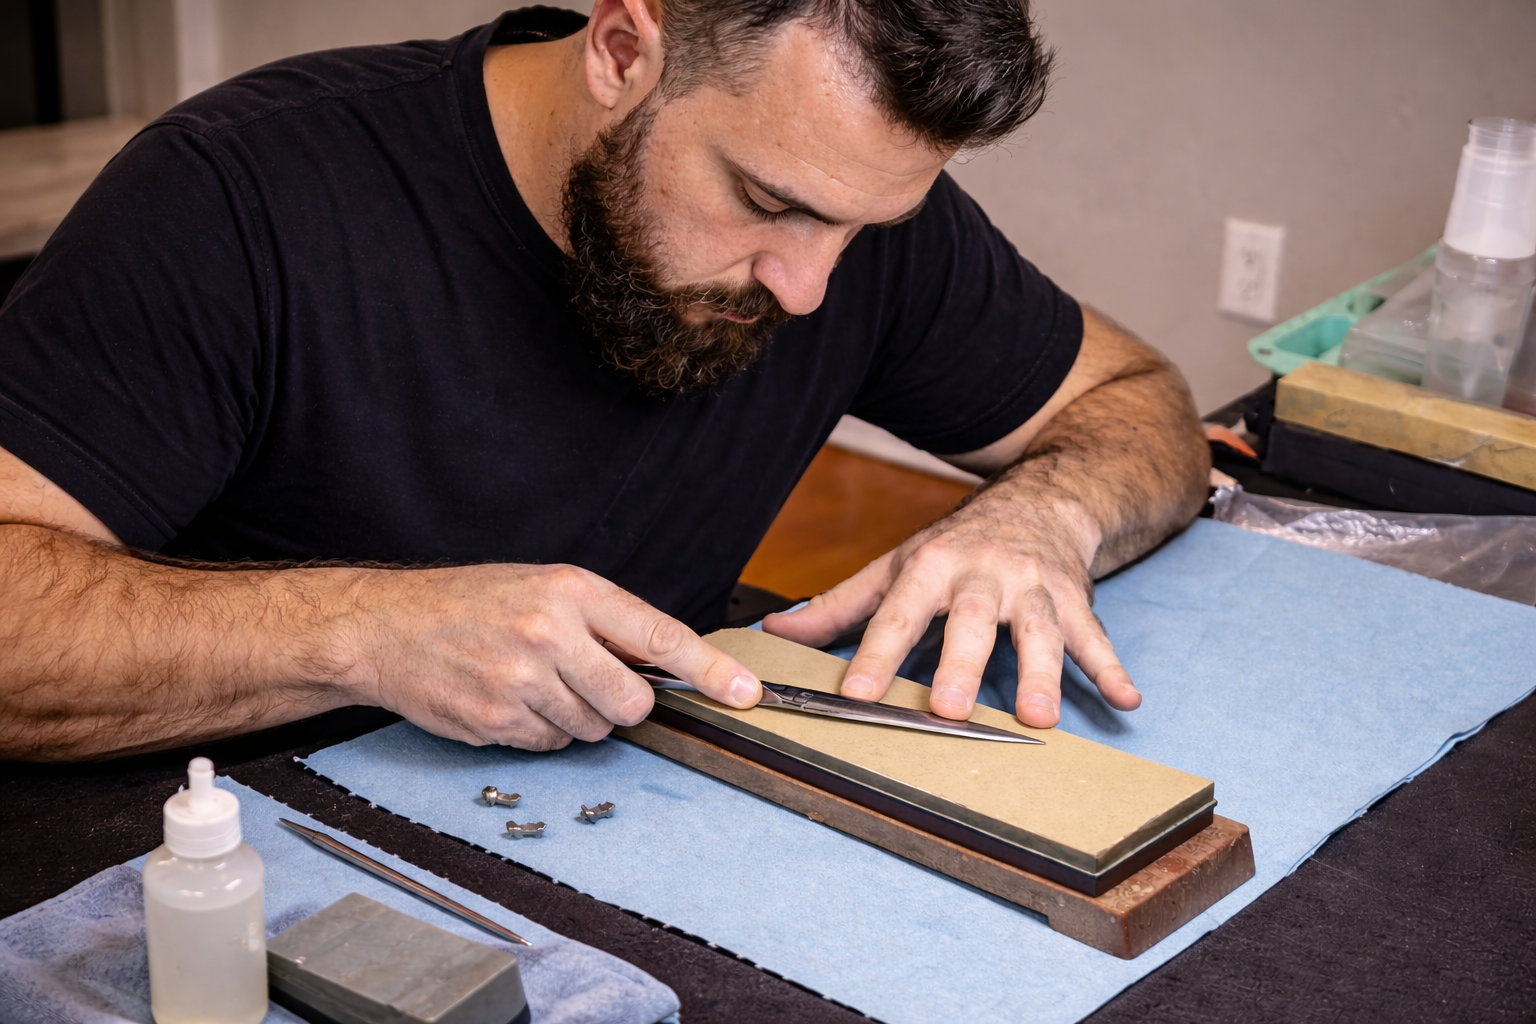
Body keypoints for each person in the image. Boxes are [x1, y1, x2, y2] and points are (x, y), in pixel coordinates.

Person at [0, 0, 1208, 761]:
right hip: (205, 849)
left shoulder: (854, 224)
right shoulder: (237, 196)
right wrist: (362, 633)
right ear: (626, 50)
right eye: (768, 203)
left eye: (860, 229)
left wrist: (1041, 515)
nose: (807, 290)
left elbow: (1139, 405)